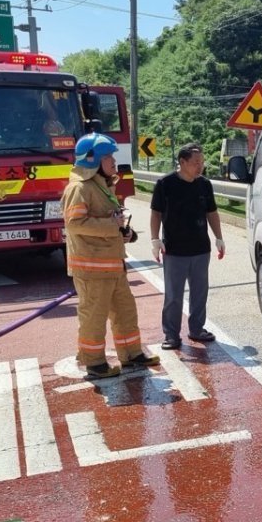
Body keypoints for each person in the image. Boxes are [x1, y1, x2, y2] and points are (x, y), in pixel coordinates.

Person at [62, 132, 161, 379]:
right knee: (94, 316)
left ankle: (131, 354)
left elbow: (112, 221)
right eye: (108, 157)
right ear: (92, 160)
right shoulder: (80, 188)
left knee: (125, 311)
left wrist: (124, 233)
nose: (114, 162)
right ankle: (94, 363)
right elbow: (75, 224)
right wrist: (111, 225)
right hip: (92, 267)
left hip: (112, 265)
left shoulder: (101, 185)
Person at [149, 143, 225, 350]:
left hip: (201, 248)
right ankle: (172, 335)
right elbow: (156, 213)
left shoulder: (204, 184)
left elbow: (212, 213)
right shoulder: (165, 184)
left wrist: (219, 238)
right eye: (195, 163)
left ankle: (197, 329)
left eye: (201, 162)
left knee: (200, 292)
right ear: (182, 162)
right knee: (173, 295)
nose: (199, 167)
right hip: (174, 250)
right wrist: (155, 240)